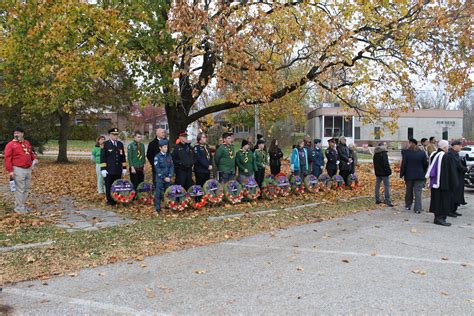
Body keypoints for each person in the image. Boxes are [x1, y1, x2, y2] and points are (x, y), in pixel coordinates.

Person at [4, 127, 38, 213]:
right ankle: (18, 208)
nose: (16, 134)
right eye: (15, 133)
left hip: (28, 169)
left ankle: (22, 206)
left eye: (18, 133)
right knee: (20, 189)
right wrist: (10, 171)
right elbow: (7, 158)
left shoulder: (26, 143)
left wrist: (34, 159)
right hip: (18, 169)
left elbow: (30, 153)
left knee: (26, 188)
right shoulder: (10, 145)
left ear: (22, 134)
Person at [426, 140, 458, 226]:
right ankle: (440, 218)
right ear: (444, 147)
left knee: (436, 200)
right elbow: (451, 171)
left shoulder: (433, 155)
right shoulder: (446, 157)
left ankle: (437, 217)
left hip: (435, 182)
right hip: (444, 183)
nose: (448, 148)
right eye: (447, 147)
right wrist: (455, 183)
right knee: (443, 201)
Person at [400, 138, 428, 213]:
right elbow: (425, 164)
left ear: (410, 143)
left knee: (409, 191)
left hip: (409, 175)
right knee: (418, 192)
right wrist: (424, 172)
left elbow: (404, 164)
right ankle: (418, 209)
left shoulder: (406, 153)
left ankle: (408, 205)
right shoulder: (422, 153)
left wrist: (401, 174)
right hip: (420, 175)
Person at [100, 128, 127, 206]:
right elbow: (103, 157)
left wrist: (124, 168)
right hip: (109, 170)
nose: (116, 136)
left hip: (118, 169)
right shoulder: (105, 144)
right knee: (109, 185)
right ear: (110, 135)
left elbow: (123, 157)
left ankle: (116, 199)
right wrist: (103, 169)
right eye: (114, 135)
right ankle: (110, 201)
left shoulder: (120, 144)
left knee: (117, 186)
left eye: (117, 135)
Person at [447, 140, 467, 215]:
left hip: (459, 176)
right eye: (460, 146)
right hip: (454, 177)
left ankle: (454, 209)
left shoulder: (456, 154)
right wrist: (464, 168)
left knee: (457, 194)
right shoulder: (451, 154)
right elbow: (457, 166)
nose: (461, 147)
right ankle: (450, 210)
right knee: (453, 194)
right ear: (455, 146)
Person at [154, 139, 173, 213]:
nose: (166, 148)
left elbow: (171, 166)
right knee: (158, 193)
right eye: (164, 147)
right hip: (160, 178)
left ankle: (168, 205)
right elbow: (157, 168)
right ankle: (158, 208)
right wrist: (164, 177)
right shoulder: (157, 157)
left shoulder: (169, 156)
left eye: (166, 147)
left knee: (168, 193)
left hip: (168, 178)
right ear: (160, 148)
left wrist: (170, 176)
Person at [373, 142, 394, 207]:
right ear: (382, 146)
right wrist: (389, 171)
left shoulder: (375, 154)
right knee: (387, 186)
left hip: (378, 172)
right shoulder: (383, 154)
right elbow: (386, 164)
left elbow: (375, 164)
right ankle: (387, 200)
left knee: (377, 186)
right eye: (385, 145)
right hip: (384, 173)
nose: (386, 146)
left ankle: (377, 199)